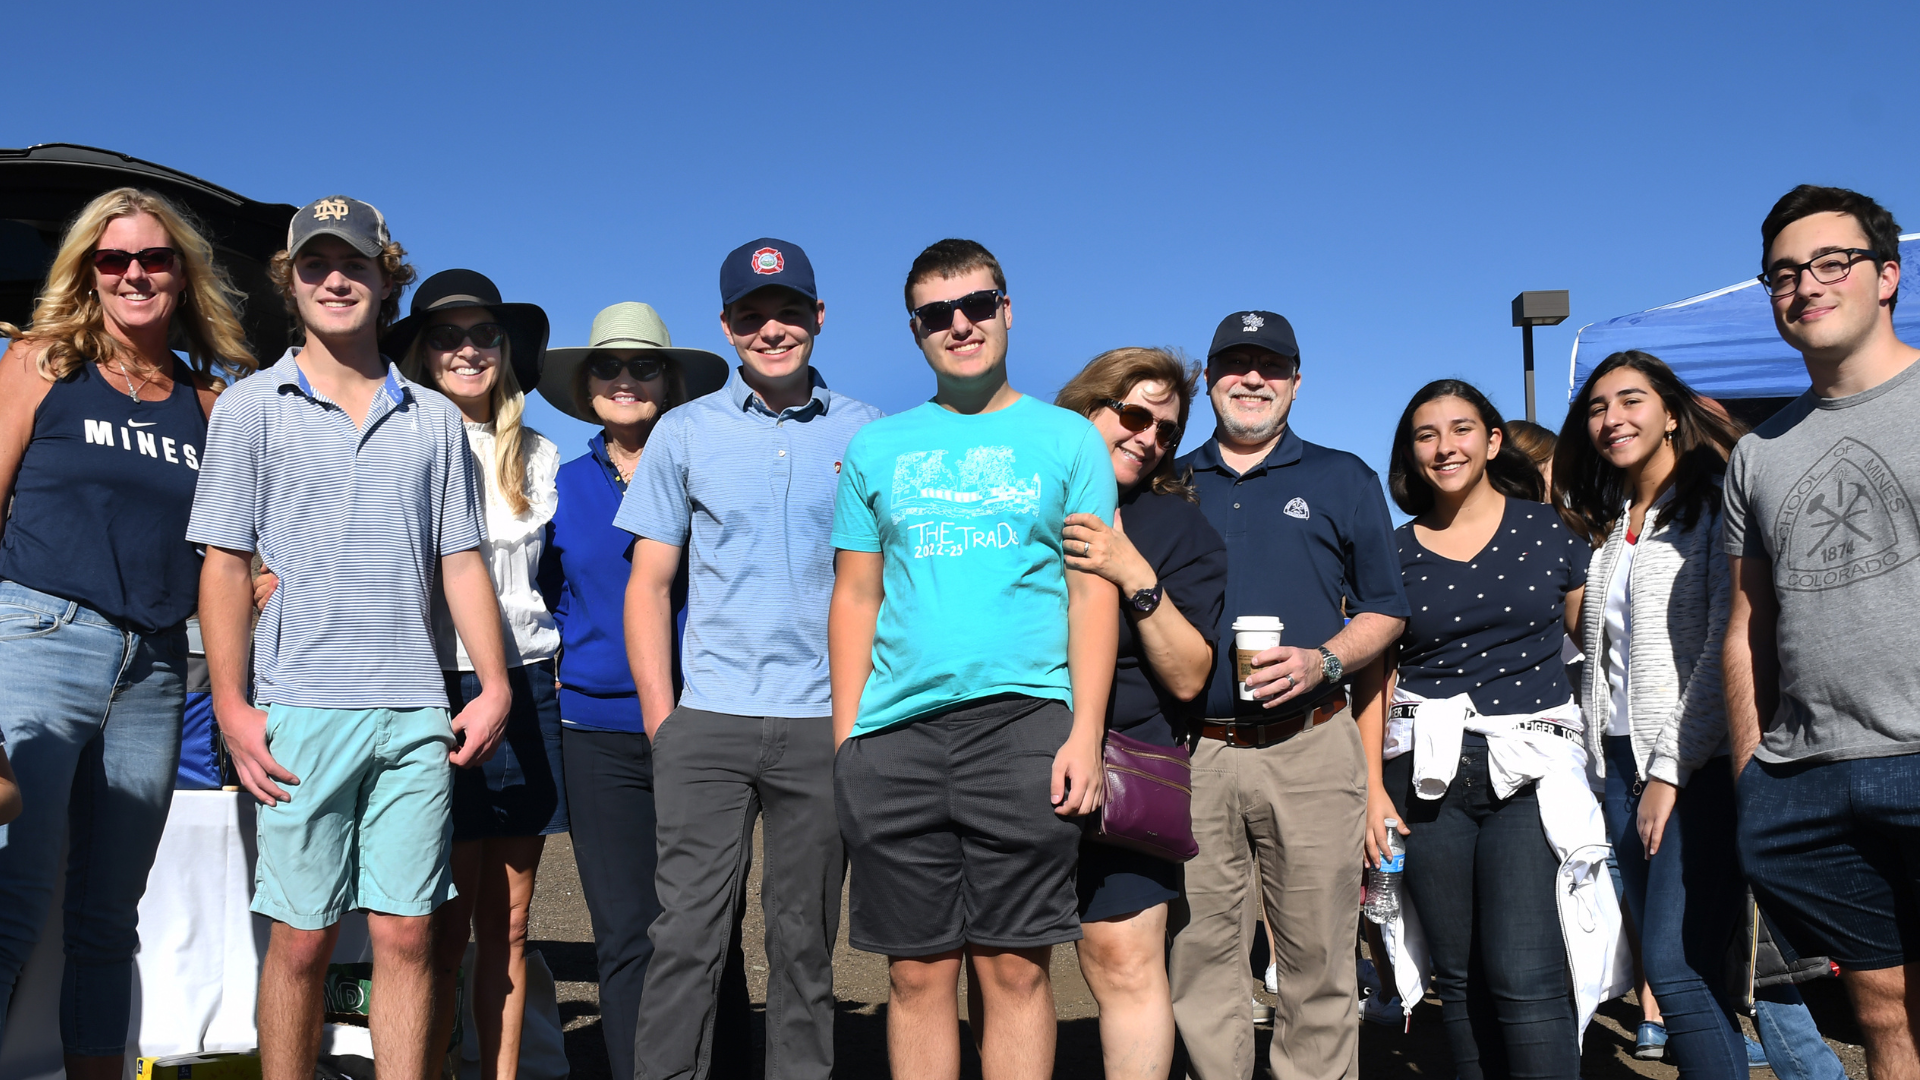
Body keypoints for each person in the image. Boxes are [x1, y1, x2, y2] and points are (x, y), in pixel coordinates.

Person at [188, 196, 511, 1080]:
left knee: (409, 934)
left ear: (386, 277)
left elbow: (461, 562)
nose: (337, 279)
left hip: (414, 709)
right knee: (301, 941)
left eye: (356, 264)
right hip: (299, 708)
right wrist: (231, 703)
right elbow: (223, 564)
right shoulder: (252, 408)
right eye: (315, 266)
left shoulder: (436, 419)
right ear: (290, 284)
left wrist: (495, 683)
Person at [829, 238, 1116, 1080]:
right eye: (937, 314)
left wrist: (1086, 733)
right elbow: (854, 597)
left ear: (1006, 310)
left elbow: (1093, 593)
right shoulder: (879, 448)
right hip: (895, 738)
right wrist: (848, 742)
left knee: (1018, 968)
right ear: (915, 330)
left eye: (978, 305)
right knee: (915, 972)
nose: (961, 325)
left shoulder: (1069, 441)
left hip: (1027, 725)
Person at [0, 187, 254, 1074]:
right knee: (12, 901)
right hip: (37, 638)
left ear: (183, 276)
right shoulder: (40, 364)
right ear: (87, 271)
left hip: (153, 668)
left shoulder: (211, 405)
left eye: (154, 258)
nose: (135, 274)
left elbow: (238, 560)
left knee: (110, 919)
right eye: (114, 260)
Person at [619, 239, 881, 1080]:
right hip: (711, 722)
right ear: (727, 327)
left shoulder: (868, 433)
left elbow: (884, 585)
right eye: (753, 315)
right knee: (687, 937)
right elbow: (650, 583)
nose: (773, 329)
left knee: (804, 943)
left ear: (819, 318)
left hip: (822, 723)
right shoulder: (683, 431)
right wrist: (666, 722)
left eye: (789, 311)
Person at [1561, 350, 1842, 1080]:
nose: (1612, 418)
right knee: (1697, 973)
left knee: (1675, 967)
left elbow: (1730, 646)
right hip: (1619, 760)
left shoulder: (1713, 503)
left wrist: (1670, 772)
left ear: (1670, 415)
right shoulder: (1619, 519)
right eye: (1597, 407)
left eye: (1630, 401)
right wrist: (1609, 763)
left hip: (1693, 766)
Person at [1167, 310, 1408, 1080]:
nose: (1253, 380)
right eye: (1235, 365)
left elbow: (1386, 607)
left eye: (1270, 367)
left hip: (1311, 744)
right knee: (1201, 960)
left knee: (1319, 963)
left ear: (1297, 383)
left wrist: (1326, 662)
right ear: (1208, 381)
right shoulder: (1172, 479)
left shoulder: (1342, 477)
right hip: (1195, 750)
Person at [1726, 184, 1920, 1080]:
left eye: (1831, 262)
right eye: (1782, 273)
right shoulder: (1760, 452)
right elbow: (1748, 625)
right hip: (1810, 779)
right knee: (1881, 1016)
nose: (1805, 284)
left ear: (1888, 274)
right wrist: (1750, 774)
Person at [1373, 378, 1601, 1080]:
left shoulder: (1550, 531)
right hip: (1423, 773)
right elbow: (1373, 679)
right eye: (1426, 435)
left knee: (1525, 973)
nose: (1446, 447)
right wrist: (1371, 794)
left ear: (1493, 440)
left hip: (1533, 768)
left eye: (1462, 428)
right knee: (1461, 977)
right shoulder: (1392, 549)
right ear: (1410, 455)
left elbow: (1595, 647)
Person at [535, 301, 727, 1079]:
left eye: (643, 366)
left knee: (710, 929)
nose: (625, 380)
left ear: (671, 382)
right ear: (586, 386)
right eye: (608, 367)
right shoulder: (557, 485)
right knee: (624, 934)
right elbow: (537, 596)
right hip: (596, 734)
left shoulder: (710, 471)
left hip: (708, 726)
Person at [381, 269, 560, 1079]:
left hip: (527, 686)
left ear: (504, 349)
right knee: (438, 926)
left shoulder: (542, 454)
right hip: (432, 688)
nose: (466, 350)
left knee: (512, 925)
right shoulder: (395, 439)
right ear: (421, 351)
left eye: (482, 334)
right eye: (447, 336)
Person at [1053, 347, 1227, 1080]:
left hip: (1127, 770)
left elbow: (1190, 675)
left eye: (1166, 429)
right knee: (1003, 960)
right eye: (1132, 415)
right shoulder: (1012, 496)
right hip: (1001, 753)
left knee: (1123, 961)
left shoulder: (1179, 530)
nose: (1148, 438)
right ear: (1086, 408)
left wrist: (1133, 573)